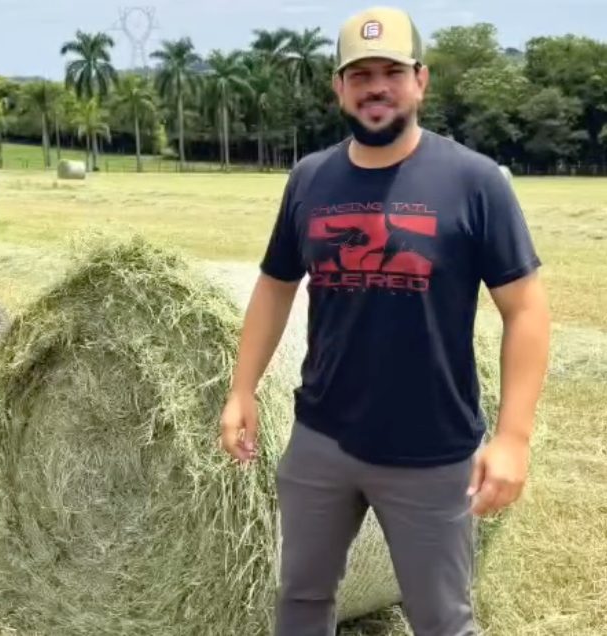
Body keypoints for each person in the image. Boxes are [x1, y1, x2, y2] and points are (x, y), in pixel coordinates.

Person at [218, 6, 550, 636]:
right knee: (302, 601)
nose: (376, 86)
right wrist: (242, 390)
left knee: (441, 619)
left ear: (420, 80)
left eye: (392, 71)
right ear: (340, 88)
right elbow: (274, 285)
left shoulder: (475, 183)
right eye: (360, 73)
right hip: (321, 437)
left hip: (433, 450)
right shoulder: (310, 179)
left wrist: (513, 438)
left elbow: (526, 308)